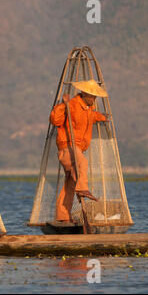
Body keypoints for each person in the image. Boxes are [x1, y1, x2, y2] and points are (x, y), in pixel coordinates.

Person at [50, 79, 109, 223]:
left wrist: (102, 117)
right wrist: (63, 105)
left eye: (95, 96)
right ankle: (82, 188)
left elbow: (91, 117)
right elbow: (55, 120)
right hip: (67, 147)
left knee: (70, 183)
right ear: (84, 94)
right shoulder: (72, 105)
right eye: (92, 96)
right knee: (82, 162)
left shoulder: (88, 109)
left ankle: (62, 216)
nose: (94, 99)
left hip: (77, 149)